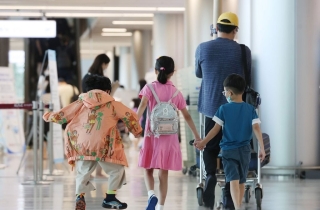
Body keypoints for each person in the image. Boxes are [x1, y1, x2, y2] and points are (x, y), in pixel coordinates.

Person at [43, 75, 142, 210]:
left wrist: (48, 115)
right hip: (105, 144)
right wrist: (136, 131)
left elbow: (62, 115)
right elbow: (130, 116)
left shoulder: (80, 102)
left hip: (82, 144)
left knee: (83, 171)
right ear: (107, 91)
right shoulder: (113, 104)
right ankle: (110, 198)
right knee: (116, 170)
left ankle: (80, 196)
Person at [195, 12, 252, 209]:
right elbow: (248, 79)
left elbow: (198, 73)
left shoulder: (203, 48)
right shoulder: (243, 51)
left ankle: (210, 174)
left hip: (211, 106)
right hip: (235, 109)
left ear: (216, 28)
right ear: (236, 30)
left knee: (210, 146)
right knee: (233, 148)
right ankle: (229, 193)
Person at [136, 56, 201, 210]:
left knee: (148, 168)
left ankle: (151, 194)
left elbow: (142, 108)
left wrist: (133, 126)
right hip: (169, 137)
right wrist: (197, 136)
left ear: (156, 70)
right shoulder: (176, 93)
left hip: (152, 134)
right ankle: (161, 206)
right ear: (173, 73)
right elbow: (186, 116)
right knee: (163, 173)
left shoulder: (149, 88)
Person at [195, 74, 265, 210]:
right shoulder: (250, 109)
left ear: (230, 93)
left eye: (225, 91)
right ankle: (238, 206)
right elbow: (256, 128)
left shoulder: (223, 109)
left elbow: (215, 130)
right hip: (245, 150)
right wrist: (261, 148)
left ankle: (237, 207)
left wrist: (203, 142)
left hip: (229, 150)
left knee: (232, 178)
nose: (224, 94)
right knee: (241, 180)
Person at [81, 54, 119, 177]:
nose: (106, 67)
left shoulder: (86, 77)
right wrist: (114, 88)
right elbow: (106, 99)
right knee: (101, 143)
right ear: (103, 64)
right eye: (106, 65)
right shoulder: (101, 79)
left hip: (88, 114)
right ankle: (98, 171)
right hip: (101, 115)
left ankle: (89, 172)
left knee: (89, 143)